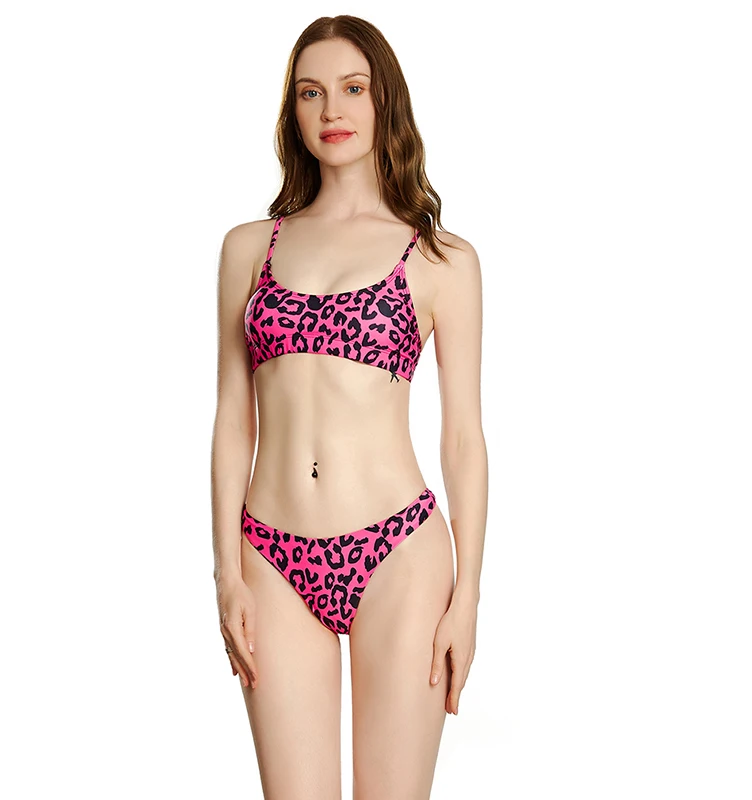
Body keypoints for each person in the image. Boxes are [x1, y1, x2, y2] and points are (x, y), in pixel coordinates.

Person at [211, 14, 488, 800]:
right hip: (270, 556)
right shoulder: (249, 247)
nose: (332, 109)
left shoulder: (441, 258)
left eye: (353, 88)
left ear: (383, 100)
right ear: (293, 112)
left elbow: (463, 439)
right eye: (311, 93)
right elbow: (232, 419)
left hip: (398, 553)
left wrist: (469, 596)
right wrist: (225, 571)